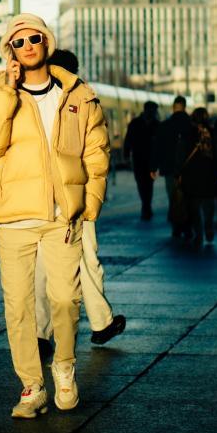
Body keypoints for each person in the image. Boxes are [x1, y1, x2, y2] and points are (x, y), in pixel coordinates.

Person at [0, 13, 111, 419]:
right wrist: (7, 93)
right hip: (13, 219)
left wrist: (89, 205)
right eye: (18, 41)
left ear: (46, 42)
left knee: (65, 300)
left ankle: (63, 366)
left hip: (62, 217)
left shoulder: (77, 94)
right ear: (8, 50)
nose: (27, 46)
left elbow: (96, 152)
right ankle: (32, 385)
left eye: (34, 38)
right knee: (19, 307)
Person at [34, 49, 125, 355]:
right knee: (86, 261)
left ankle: (39, 333)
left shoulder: (35, 100)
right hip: (77, 197)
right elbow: (98, 155)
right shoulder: (84, 100)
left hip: (42, 199)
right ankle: (101, 323)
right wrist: (93, 202)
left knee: (42, 265)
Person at [180, 107, 217, 250]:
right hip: (210, 175)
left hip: (192, 177)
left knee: (194, 207)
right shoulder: (213, 133)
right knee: (209, 205)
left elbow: (180, 155)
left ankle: (199, 233)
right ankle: (209, 227)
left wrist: (177, 174)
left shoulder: (187, 134)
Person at [151, 95, 192, 237]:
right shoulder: (191, 125)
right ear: (184, 107)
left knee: (173, 198)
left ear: (174, 107)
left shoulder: (165, 126)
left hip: (170, 170)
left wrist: (153, 167)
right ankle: (188, 227)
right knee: (188, 198)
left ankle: (176, 226)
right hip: (188, 170)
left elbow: (157, 148)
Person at [124, 100, 160, 220]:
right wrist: (126, 155)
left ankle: (146, 207)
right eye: (153, 111)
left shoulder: (156, 124)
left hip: (151, 161)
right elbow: (128, 140)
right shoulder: (135, 124)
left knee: (149, 184)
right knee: (141, 184)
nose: (154, 113)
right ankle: (146, 206)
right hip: (138, 159)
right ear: (146, 110)